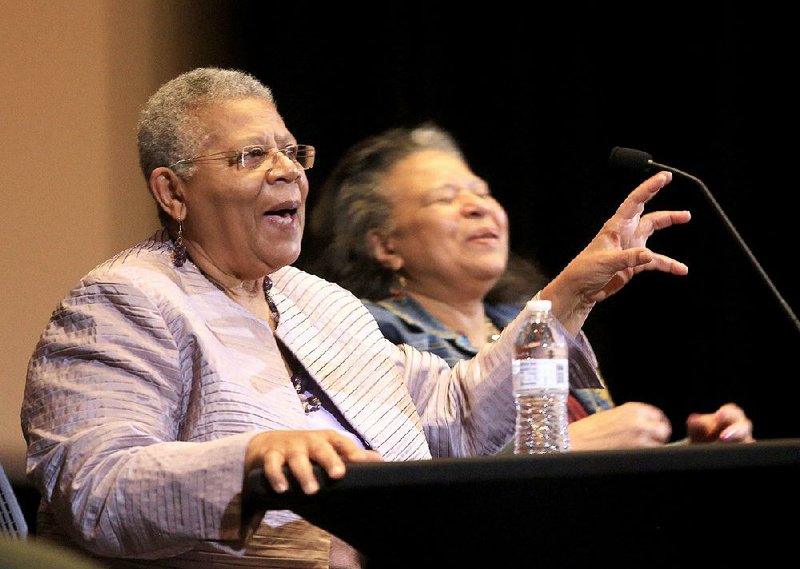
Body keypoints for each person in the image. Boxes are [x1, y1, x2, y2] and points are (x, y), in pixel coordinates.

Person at [22, 67, 693, 569]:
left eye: (291, 151)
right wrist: (251, 459)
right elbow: (94, 489)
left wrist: (571, 291)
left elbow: (458, 414)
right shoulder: (125, 300)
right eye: (251, 156)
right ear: (172, 190)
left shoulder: (323, 303)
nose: (286, 171)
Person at [307, 123, 754, 450]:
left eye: (482, 192)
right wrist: (568, 448)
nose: (478, 208)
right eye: (446, 198)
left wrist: (690, 457)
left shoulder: (522, 319)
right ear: (385, 245)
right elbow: (413, 475)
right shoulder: (369, 333)